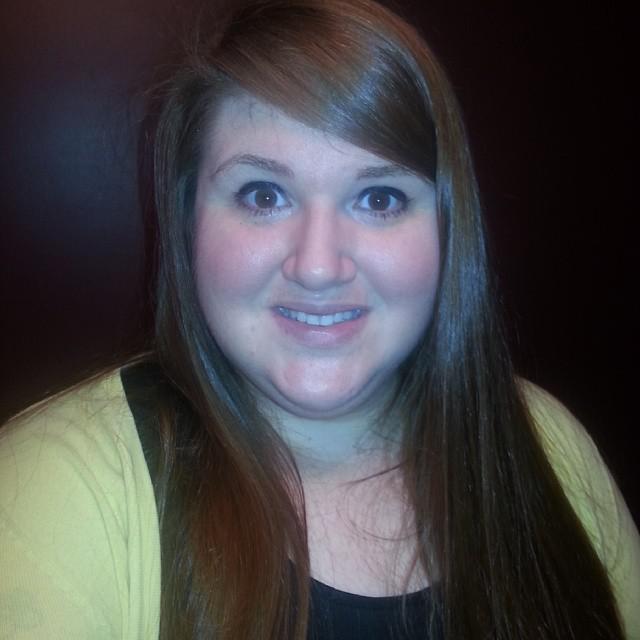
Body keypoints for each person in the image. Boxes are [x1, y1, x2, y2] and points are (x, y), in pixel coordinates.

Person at [1, 0, 639, 638]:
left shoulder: (550, 445)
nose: (317, 267)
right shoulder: (54, 491)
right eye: (263, 195)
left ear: (449, 225)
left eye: (378, 198)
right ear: (188, 216)